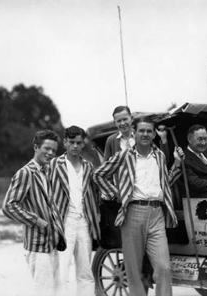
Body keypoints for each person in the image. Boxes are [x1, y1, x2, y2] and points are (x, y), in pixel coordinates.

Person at [93, 116, 182, 296]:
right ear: (135, 132)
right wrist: (117, 194)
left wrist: (178, 164)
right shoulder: (124, 155)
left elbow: (165, 184)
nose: (145, 134)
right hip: (132, 213)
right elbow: (98, 175)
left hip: (157, 214)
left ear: (154, 134)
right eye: (142, 130)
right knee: (134, 271)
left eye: (149, 131)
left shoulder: (160, 155)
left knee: (164, 268)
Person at [2, 130, 65, 296]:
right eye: (47, 148)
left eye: (54, 150)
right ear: (36, 147)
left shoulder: (45, 171)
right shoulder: (25, 173)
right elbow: (9, 206)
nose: (51, 153)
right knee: (43, 291)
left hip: (51, 242)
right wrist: (35, 220)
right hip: (37, 244)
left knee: (55, 290)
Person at [50, 126, 100, 295]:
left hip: (84, 222)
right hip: (64, 222)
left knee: (85, 272)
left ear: (83, 144)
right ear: (64, 143)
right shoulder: (54, 165)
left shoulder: (88, 166)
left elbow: (95, 194)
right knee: (61, 271)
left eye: (79, 143)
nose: (75, 146)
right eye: (71, 142)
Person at [104, 105, 168, 161]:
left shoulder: (142, 135)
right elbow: (106, 167)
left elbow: (161, 160)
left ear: (131, 119)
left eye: (125, 119)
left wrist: (163, 139)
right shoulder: (111, 141)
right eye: (119, 121)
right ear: (115, 123)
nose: (122, 123)